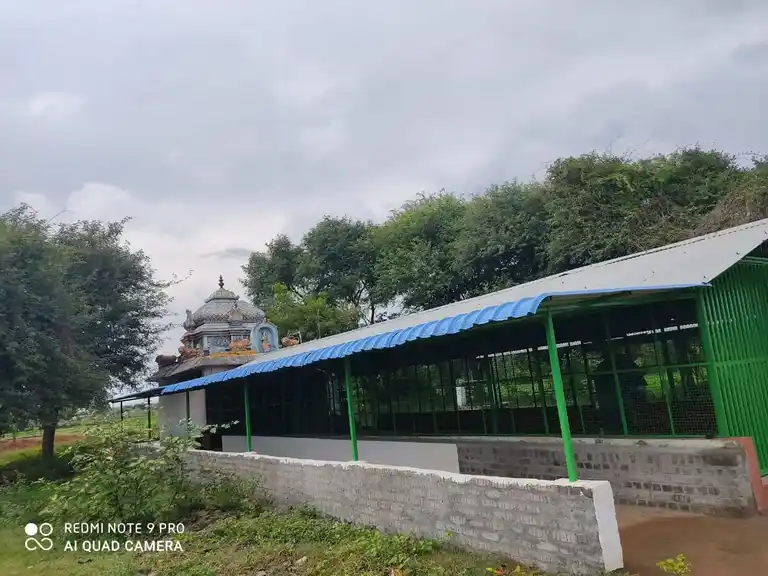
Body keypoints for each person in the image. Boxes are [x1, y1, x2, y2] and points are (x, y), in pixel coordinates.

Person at [593, 349, 647, 434]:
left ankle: (631, 426)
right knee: (625, 411)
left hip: (620, 394)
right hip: (615, 396)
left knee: (627, 410)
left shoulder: (623, 364)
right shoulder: (605, 366)